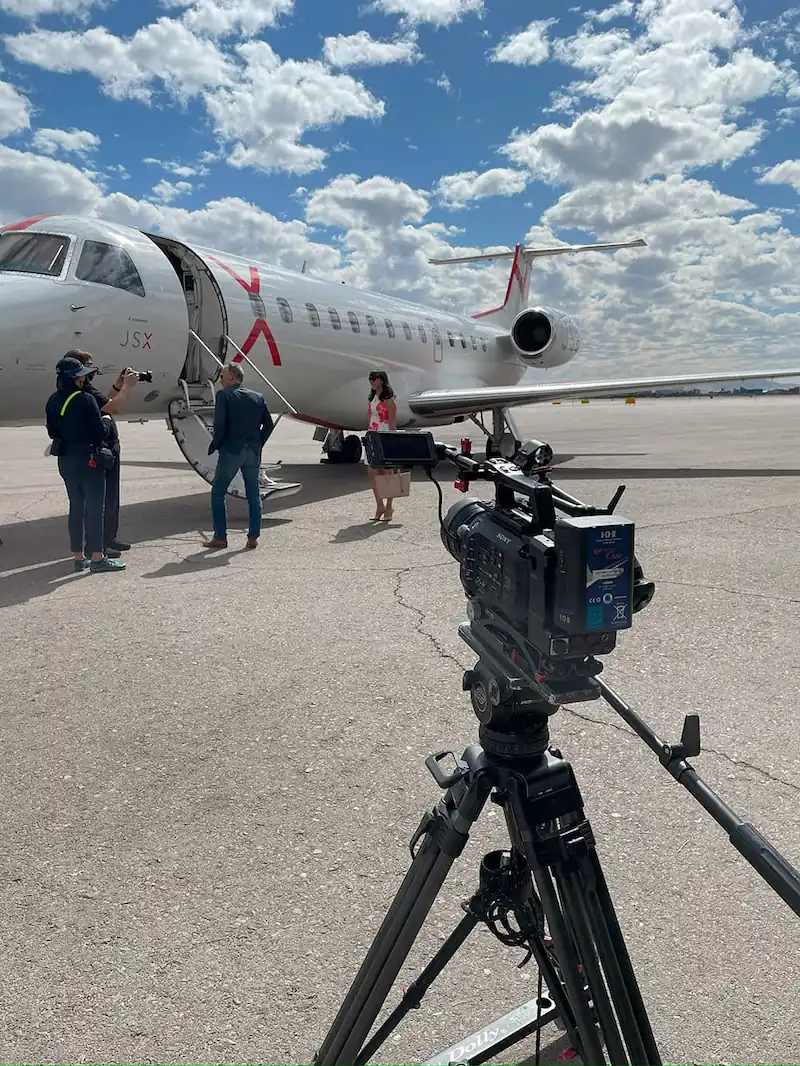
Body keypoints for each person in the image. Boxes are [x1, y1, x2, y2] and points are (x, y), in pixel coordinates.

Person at [45, 356, 126, 573]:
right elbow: (100, 432)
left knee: (76, 507)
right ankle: (98, 558)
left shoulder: (53, 400)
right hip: (88, 459)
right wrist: (107, 420)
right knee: (95, 509)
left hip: (66, 459)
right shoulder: (86, 399)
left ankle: (79, 557)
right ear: (75, 378)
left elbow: (53, 431)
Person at [66, 350, 139, 558]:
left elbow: (104, 402)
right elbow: (112, 407)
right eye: (88, 366)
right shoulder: (82, 394)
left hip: (109, 448)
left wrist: (117, 386)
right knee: (99, 501)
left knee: (111, 497)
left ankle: (108, 538)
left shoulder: (87, 390)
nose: (92, 370)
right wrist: (127, 387)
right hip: (99, 451)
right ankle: (98, 545)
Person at [203, 362, 274, 550]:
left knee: (218, 492)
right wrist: (258, 443)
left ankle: (220, 537)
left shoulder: (224, 395)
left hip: (232, 450)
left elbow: (220, 424)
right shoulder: (257, 397)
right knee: (253, 495)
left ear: (233, 377)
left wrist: (216, 444)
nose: (220, 378)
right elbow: (269, 424)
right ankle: (253, 537)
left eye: (223, 375)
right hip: (252, 451)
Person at [366, 369, 398, 521]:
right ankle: (379, 505)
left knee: (387, 473)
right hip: (373, 435)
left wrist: (392, 442)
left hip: (384, 435)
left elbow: (392, 423)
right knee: (372, 471)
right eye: (370, 378)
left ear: (382, 381)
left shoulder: (389, 400)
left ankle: (389, 506)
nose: (371, 381)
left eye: (374, 378)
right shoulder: (373, 398)